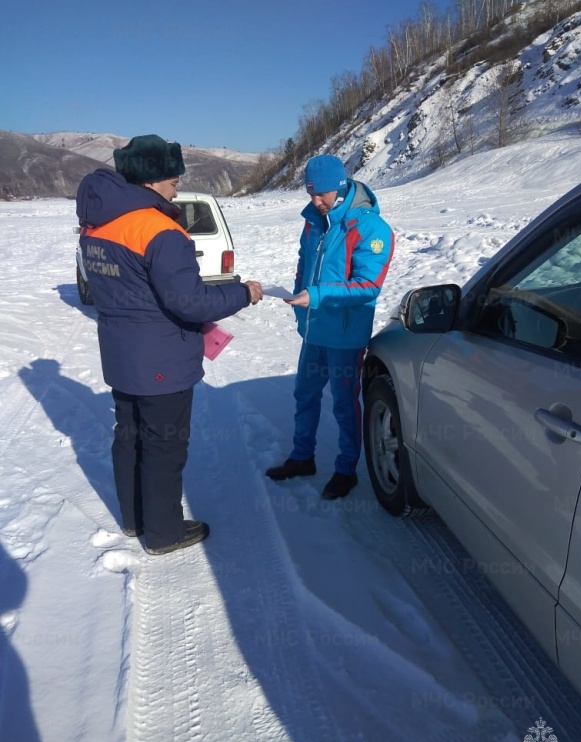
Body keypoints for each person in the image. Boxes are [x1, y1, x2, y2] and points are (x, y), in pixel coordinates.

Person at [76, 134, 263, 555]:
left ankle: (134, 519)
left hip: (121, 353)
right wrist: (242, 293)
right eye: (171, 174)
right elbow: (190, 301)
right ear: (150, 178)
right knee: (163, 446)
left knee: (129, 436)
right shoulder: (159, 229)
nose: (177, 181)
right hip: (161, 359)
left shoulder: (97, 225)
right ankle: (163, 533)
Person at [266, 154, 394, 499]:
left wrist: (317, 295)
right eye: (309, 193)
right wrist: (298, 296)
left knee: (343, 402)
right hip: (315, 329)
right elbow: (303, 264)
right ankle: (302, 457)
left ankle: (346, 468)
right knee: (304, 394)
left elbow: (368, 286)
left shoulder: (370, 228)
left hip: (345, 335)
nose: (315, 201)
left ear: (339, 187)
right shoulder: (313, 222)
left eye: (320, 194)